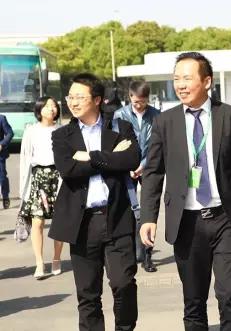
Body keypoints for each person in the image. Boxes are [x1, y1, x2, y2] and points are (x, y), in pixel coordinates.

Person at [140, 52, 231, 331]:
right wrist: (148, 217)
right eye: (176, 79)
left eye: (187, 78)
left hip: (226, 219)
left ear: (207, 81)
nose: (180, 85)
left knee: (229, 294)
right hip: (186, 222)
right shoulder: (165, 122)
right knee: (194, 300)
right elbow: (153, 172)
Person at [50, 73, 141, 331]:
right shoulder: (62, 135)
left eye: (80, 97)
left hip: (117, 217)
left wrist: (88, 156)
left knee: (124, 284)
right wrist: (109, 158)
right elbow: (68, 170)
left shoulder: (120, 127)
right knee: (88, 293)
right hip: (82, 223)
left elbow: (131, 159)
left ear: (97, 99)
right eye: (70, 97)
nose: (73, 102)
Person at [114, 80, 161, 273]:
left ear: (147, 98)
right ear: (130, 97)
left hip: (149, 167)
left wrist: (143, 165)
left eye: (143, 101)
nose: (139, 105)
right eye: (135, 101)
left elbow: (158, 145)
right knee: (128, 211)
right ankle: (131, 253)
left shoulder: (156, 116)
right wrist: (128, 165)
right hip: (126, 168)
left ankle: (147, 256)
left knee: (149, 211)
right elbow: (117, 144)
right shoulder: (120, 115)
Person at [18, 96, 64, 279]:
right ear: (39, 109)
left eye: (54, 106)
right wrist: (23, 189)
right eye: (47, 106)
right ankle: (39, 263)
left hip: (58, 178)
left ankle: (56, 258)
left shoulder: (62, 130)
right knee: (37, 221)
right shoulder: (31, 131)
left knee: (59, 222)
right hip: (38, 179)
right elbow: (25, 158)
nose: (51, 109)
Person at [0, 113, 14, 209]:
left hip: (0, 154)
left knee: (2, 177)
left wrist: (2, 144)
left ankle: (5, 196)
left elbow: (10, 133)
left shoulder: (1, 118)